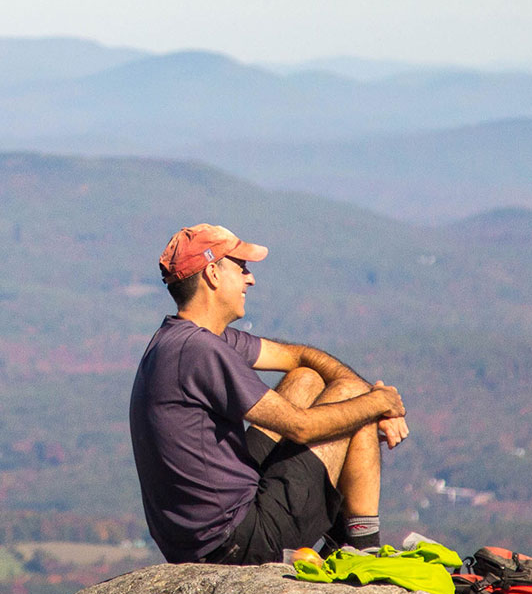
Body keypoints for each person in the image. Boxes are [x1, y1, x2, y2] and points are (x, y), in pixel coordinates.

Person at [129, 223, 408, 565]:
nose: (251, 279)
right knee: (355, 399)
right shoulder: (199, 351)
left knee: (305, 380)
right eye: (241, 268)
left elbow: (298, 358)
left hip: (202, 535)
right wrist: (379, 402)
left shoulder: (179, 339)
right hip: (236, 541)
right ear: (213, 274)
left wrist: (375, 403)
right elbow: (300, 427)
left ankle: (342, 532)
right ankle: (364, 548)